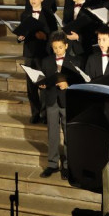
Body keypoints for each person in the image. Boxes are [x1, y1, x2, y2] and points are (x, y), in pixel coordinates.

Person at [38, 32, 79, 178]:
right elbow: (43, 79)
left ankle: (68, 165)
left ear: (66, 46)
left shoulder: (74, 61)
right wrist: (42, 84)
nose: (57, 50)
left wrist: (68, 84)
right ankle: (52, 164)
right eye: (55, 48)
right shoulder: (47, 61)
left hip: (67, 101)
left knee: (68, 134)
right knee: (53, 134)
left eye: (60, 47)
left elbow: (79, 81)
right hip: (51, 100)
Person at [18, 0, 58, 124]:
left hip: (44, 53)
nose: (32, 0)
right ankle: (35, 113)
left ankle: (45, 114)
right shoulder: (25, 14)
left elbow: (54, 34)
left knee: (44, 84)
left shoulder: (49, 15)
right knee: (31, 86)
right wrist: (20, 37)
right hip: (29, 53)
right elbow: (21, 33)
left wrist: (45, 36)